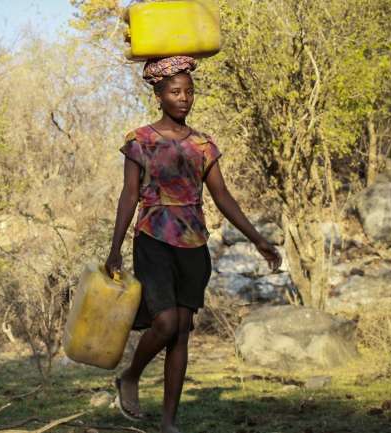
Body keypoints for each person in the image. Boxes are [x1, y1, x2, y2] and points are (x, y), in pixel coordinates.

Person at [105, 56, 282, 433]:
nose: (184, 98)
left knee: (182, 330)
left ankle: (170, 421)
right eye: (175, 92)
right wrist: (115, 247)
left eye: (189, 91)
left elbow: (223, 197)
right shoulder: (141, 141)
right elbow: (128, 196)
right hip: (153, 238)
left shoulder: (203, 144)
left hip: (193, 244)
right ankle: (131, 376)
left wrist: (258, 240)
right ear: (159, 95)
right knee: (165, 321)